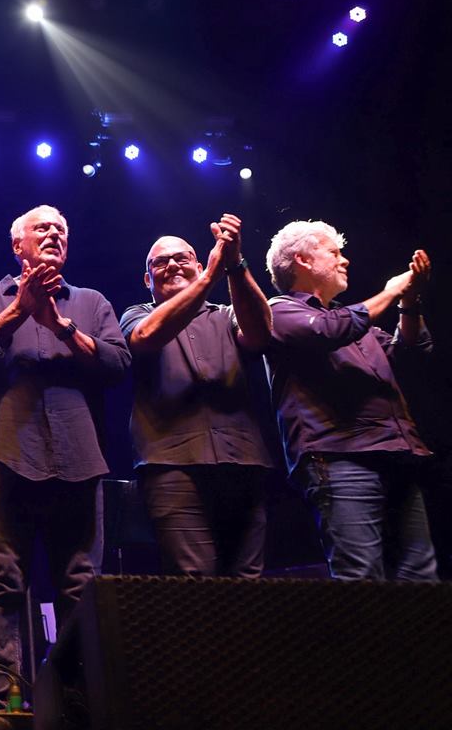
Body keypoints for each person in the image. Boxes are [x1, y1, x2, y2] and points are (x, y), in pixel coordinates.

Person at [0, 204, 129, 691]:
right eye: (42, 228)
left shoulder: (91, 302)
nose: (54, 234)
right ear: (18, 245)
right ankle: (0, 696)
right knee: (3, 579)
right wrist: (18, 312)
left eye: (62, 230)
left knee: (80, 582)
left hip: (79, 456)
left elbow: (117, 365)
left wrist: (59, 326)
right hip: (7, 455)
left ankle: (75, 694)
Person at [264, 219, 436, 580]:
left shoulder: (351, 319)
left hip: (395, 453)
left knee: (421, 580)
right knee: (362, 580)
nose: (345, 261)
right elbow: (333, 330)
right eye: (334, 253)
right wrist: (390, 291)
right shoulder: (279, 310)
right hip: (341, 457)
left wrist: (407, 303)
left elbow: (411, 354)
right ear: (303, 261)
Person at [119, 214, 276, 578]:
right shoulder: (136, 314)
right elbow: (145, 339)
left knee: (248, 582)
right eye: (160, 261)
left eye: (182, 258)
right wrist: (209, 278)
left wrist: (235, 266)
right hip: (172, 464)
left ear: (199, 263)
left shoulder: (227, 314)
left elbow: (260, 335)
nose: (172, 264)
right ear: (147, 279)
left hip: (243, 459)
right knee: (195, 580)